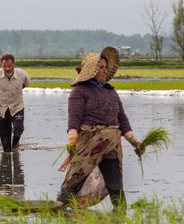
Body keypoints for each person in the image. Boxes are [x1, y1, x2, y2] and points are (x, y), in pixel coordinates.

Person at [56, 47, 143, 212]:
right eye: (101, 67)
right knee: (74, 183)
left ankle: (120, 219)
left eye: (105, 67)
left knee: (115, 185)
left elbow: (122, 119)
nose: (104, 70)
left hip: (110, 146)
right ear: (92, 70)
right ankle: (57, 211)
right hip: (88, 146)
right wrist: (72, 139)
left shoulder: (111, 92)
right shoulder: (79, 91)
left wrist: (134, 142)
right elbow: (74, 119)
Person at [0, 54, 30, 152]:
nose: (7, 69)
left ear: (14, 64)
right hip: (2, 107)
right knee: (5, 139)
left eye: (10, 66)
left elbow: (26, 83)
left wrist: (17, 90)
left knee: (19, 128)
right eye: (5, 66)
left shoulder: (22, 74)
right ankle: (6, 161)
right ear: (1, 65)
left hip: (17, 106)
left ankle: (15, 142)